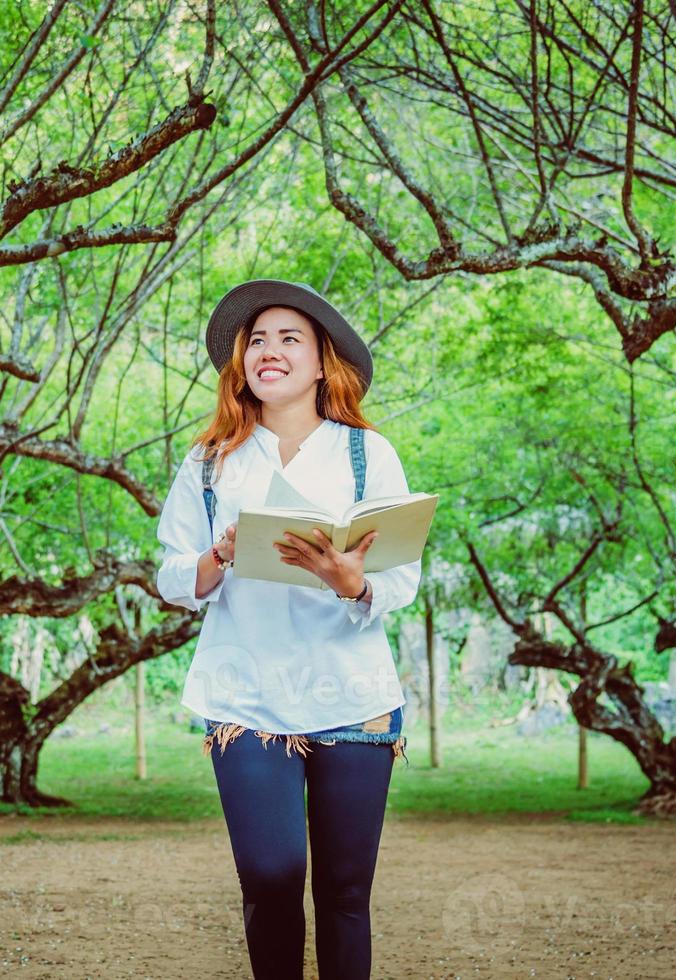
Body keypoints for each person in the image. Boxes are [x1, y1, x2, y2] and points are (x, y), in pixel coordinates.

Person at [155, 279, 422, 980]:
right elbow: (171, 575)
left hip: (353, 695)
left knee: (343, 893)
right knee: (270, 875)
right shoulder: (207, 462)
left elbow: (399, 577)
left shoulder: (367, 454)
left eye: (288, 338)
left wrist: (349, 581)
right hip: (246, 695)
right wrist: (218, 554)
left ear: (320, 362)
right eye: (257, 341)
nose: (267, 351)